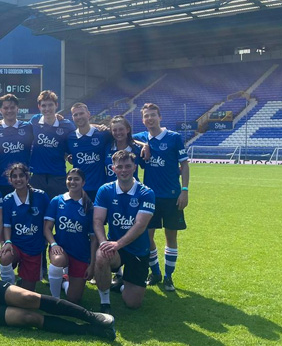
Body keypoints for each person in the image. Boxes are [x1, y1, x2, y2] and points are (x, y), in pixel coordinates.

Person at [133, 103, 190, 292]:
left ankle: (168, 277)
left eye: (152, 115)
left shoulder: (174, 138)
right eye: (146, 116)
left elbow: (185, 166)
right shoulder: (141, 137)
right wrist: (144, 145)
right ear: (142, 120)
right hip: (149, 197)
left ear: (160, 117)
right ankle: (155, 272)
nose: (149, 119)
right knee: (147, 237)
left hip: (173, 196)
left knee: (170, 237)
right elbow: (123, 135)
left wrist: (185, 190)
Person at [94, 151, 155, 312]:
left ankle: (123, 285)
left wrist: (118, 244)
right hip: (116, 249)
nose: (124, 170)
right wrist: (103, 242)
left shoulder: (146, 193)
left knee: (133, 303)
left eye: (128, 166)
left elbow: (140, 225)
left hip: (138, 250)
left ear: (134, 167)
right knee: (101, 255)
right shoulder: (105, 190)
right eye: (119, 167)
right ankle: (105, 303)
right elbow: (98, 221)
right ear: (113, 169)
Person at [43, 168, 96, 305]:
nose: (72, 182)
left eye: (76, 179)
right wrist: (54, 244)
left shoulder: (89, 206)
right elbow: (47, 228)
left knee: (74, 298)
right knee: (58, 260)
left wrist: (92, 264)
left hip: (80, 253)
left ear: (83, 182)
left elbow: (93, 238)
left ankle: (64, 281)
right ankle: (55, 300)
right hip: (61, 249)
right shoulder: (57, 201)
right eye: (70, 179)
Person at [0, 163, 49, 291]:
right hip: (16, 245)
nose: (18, 179)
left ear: (28, 177)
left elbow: (48, 222)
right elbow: (6, 225)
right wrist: (8, 242)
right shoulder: (8, 200)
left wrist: (47, 240)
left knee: (28, 292)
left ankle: (22, 280)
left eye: (21, 175)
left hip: (34, 248)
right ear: (10, 180)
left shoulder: (41, 196)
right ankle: (8, 289)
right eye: (14, 176)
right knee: (5, 256)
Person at [29, 90, 76, 200]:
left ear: (56, 105)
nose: (47, 109)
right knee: (36, 210)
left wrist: (96, 126)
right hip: (37, 176)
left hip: (58, 176)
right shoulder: (34, 121)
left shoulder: (66, 125)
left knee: (57, 210)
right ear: (39, 107)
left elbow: (79, 134)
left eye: (50, 105)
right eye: (44, 106)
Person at [0, 94, 34, 196]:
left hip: (24, 180)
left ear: (17, 109)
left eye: (12, 107)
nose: (9, 111)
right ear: (1, 110)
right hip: (2, 181)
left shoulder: (28, 127)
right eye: (5, 108)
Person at [66, 103, 110, 201]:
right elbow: (63, 153)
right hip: (78, 189)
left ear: (88, 114)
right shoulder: (70, 138)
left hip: (100, 188)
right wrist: (69, 158)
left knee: (98, 216)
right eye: (75, 115)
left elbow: (125, 137)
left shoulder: (103, 134)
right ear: (72, 117)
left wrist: (145, 145)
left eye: (81, 113)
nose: (79, 117)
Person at [104, 115, 143, 182]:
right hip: (112, 191)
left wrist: (145, 145)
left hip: (133, 190)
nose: (118, 132)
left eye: (121, 129)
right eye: (114, 130)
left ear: (127, 129)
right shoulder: (106, 148)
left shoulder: (137, 149)